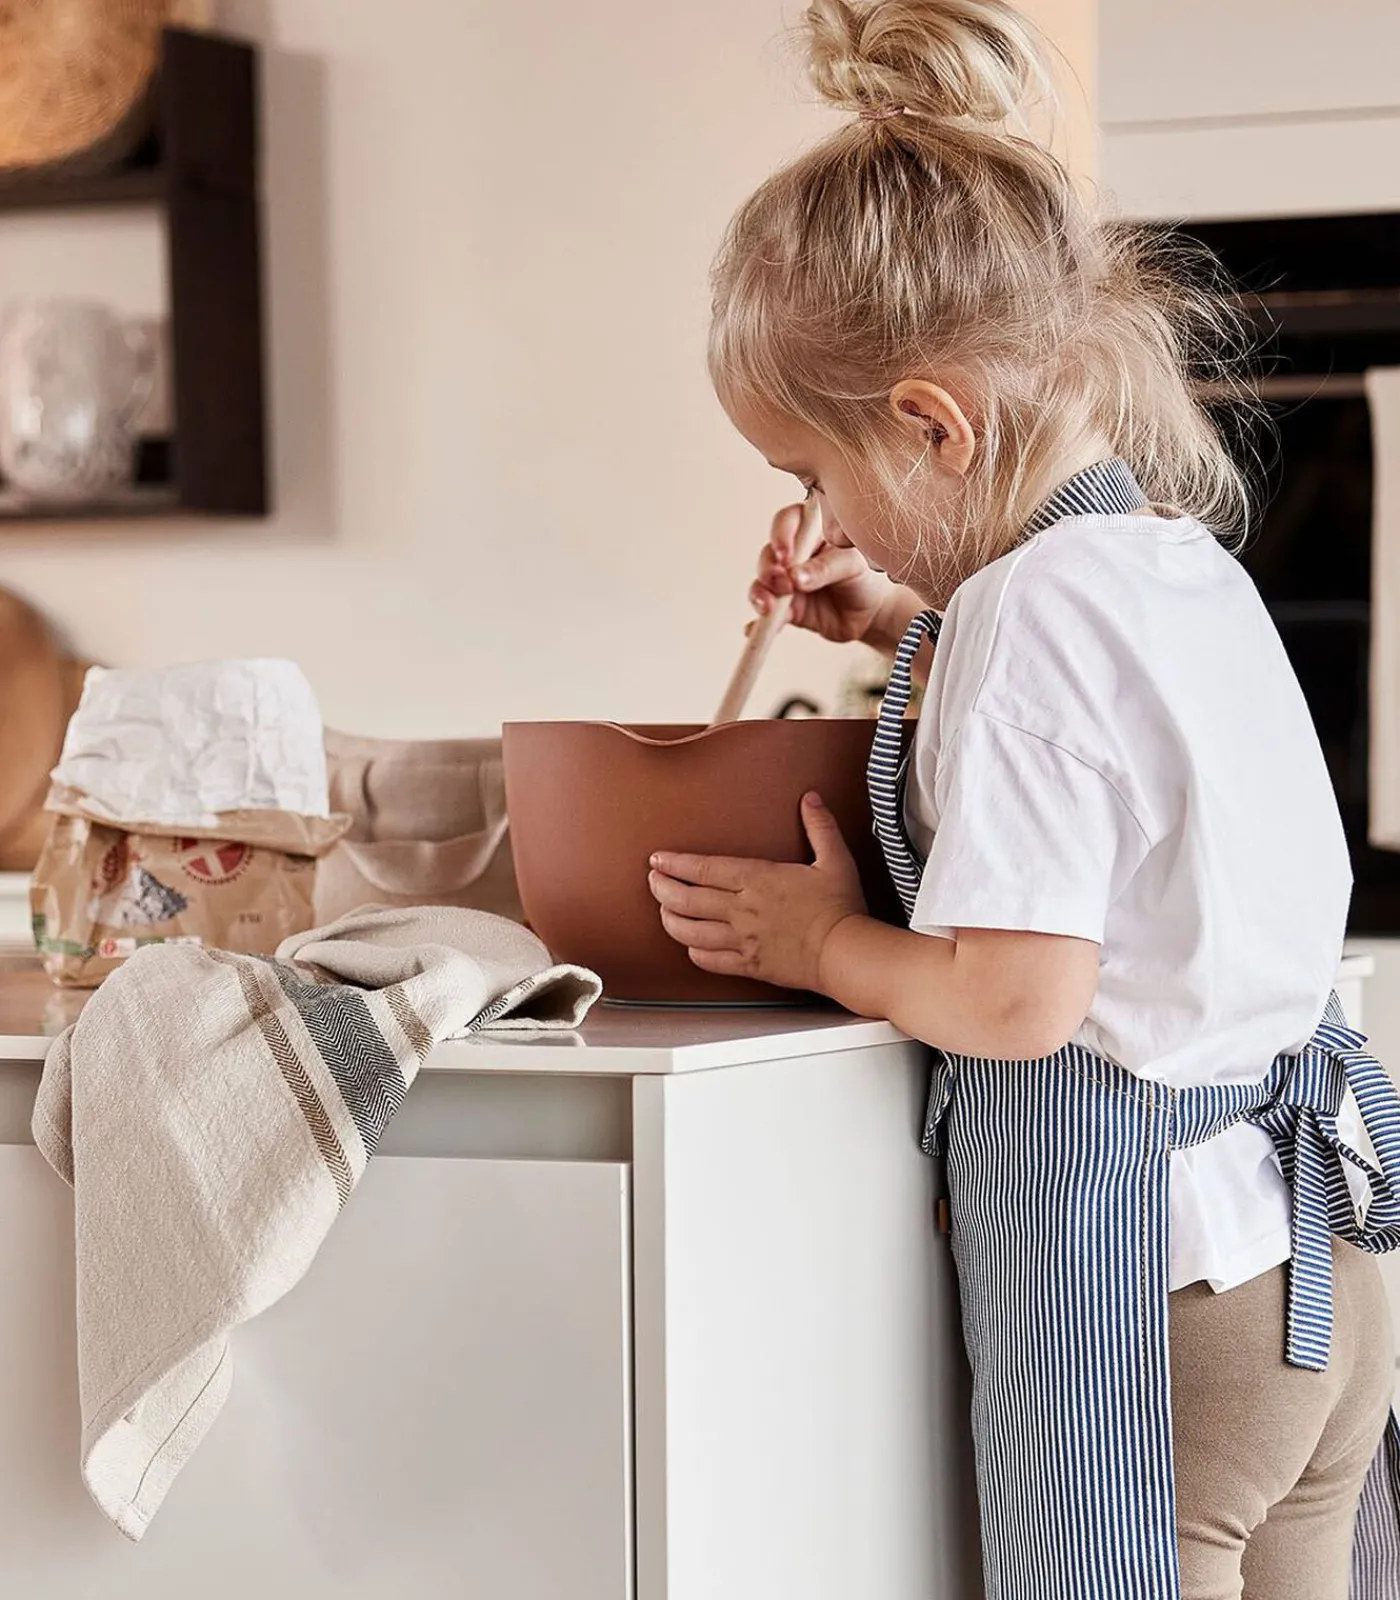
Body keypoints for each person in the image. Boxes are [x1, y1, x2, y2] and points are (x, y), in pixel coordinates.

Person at [645, 3, 1400, 1597]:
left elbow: (1012, 995)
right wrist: (893, 624)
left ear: (931, 425)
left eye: (811, 475)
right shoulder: (1158, 565)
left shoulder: (1019, 626)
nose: (814, 516)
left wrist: (820, 938)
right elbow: (1104, 774)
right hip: (1319, 1259)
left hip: (1172, 1294)